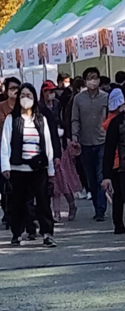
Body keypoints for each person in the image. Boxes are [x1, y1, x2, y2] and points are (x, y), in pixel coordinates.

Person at [1, 83, 57, 247]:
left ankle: (47, 233)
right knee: (18, 202)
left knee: (43, 202)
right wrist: (5, 166)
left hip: (38, 168)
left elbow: (47, 144)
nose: (26, 99)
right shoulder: (12, 119)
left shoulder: (41, 119)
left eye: (29, 96)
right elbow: (5, 144)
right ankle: (17, 233)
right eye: (23, 95)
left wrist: (51, 168)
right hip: (18, 168)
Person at [72, 67, 109, 221]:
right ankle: (96, 204)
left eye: (95, 77)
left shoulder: (105, 97)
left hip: (102, 141)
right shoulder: (78, 99)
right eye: (89, 78)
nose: (92, 81)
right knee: (90, 178)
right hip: (85, 142)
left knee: (101, 175)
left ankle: (101, 209)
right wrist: (74, 135)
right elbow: (75, 119)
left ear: (99, 80)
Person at [102, 88, 125, 234]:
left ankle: (118, 224)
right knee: (120, 195)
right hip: (119, 165)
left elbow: (109, 149)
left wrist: (106, 174)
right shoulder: (116, 121)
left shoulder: (114, 120)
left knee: (119, 196)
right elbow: (109, 148)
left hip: (119, 164)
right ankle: (118, 223)